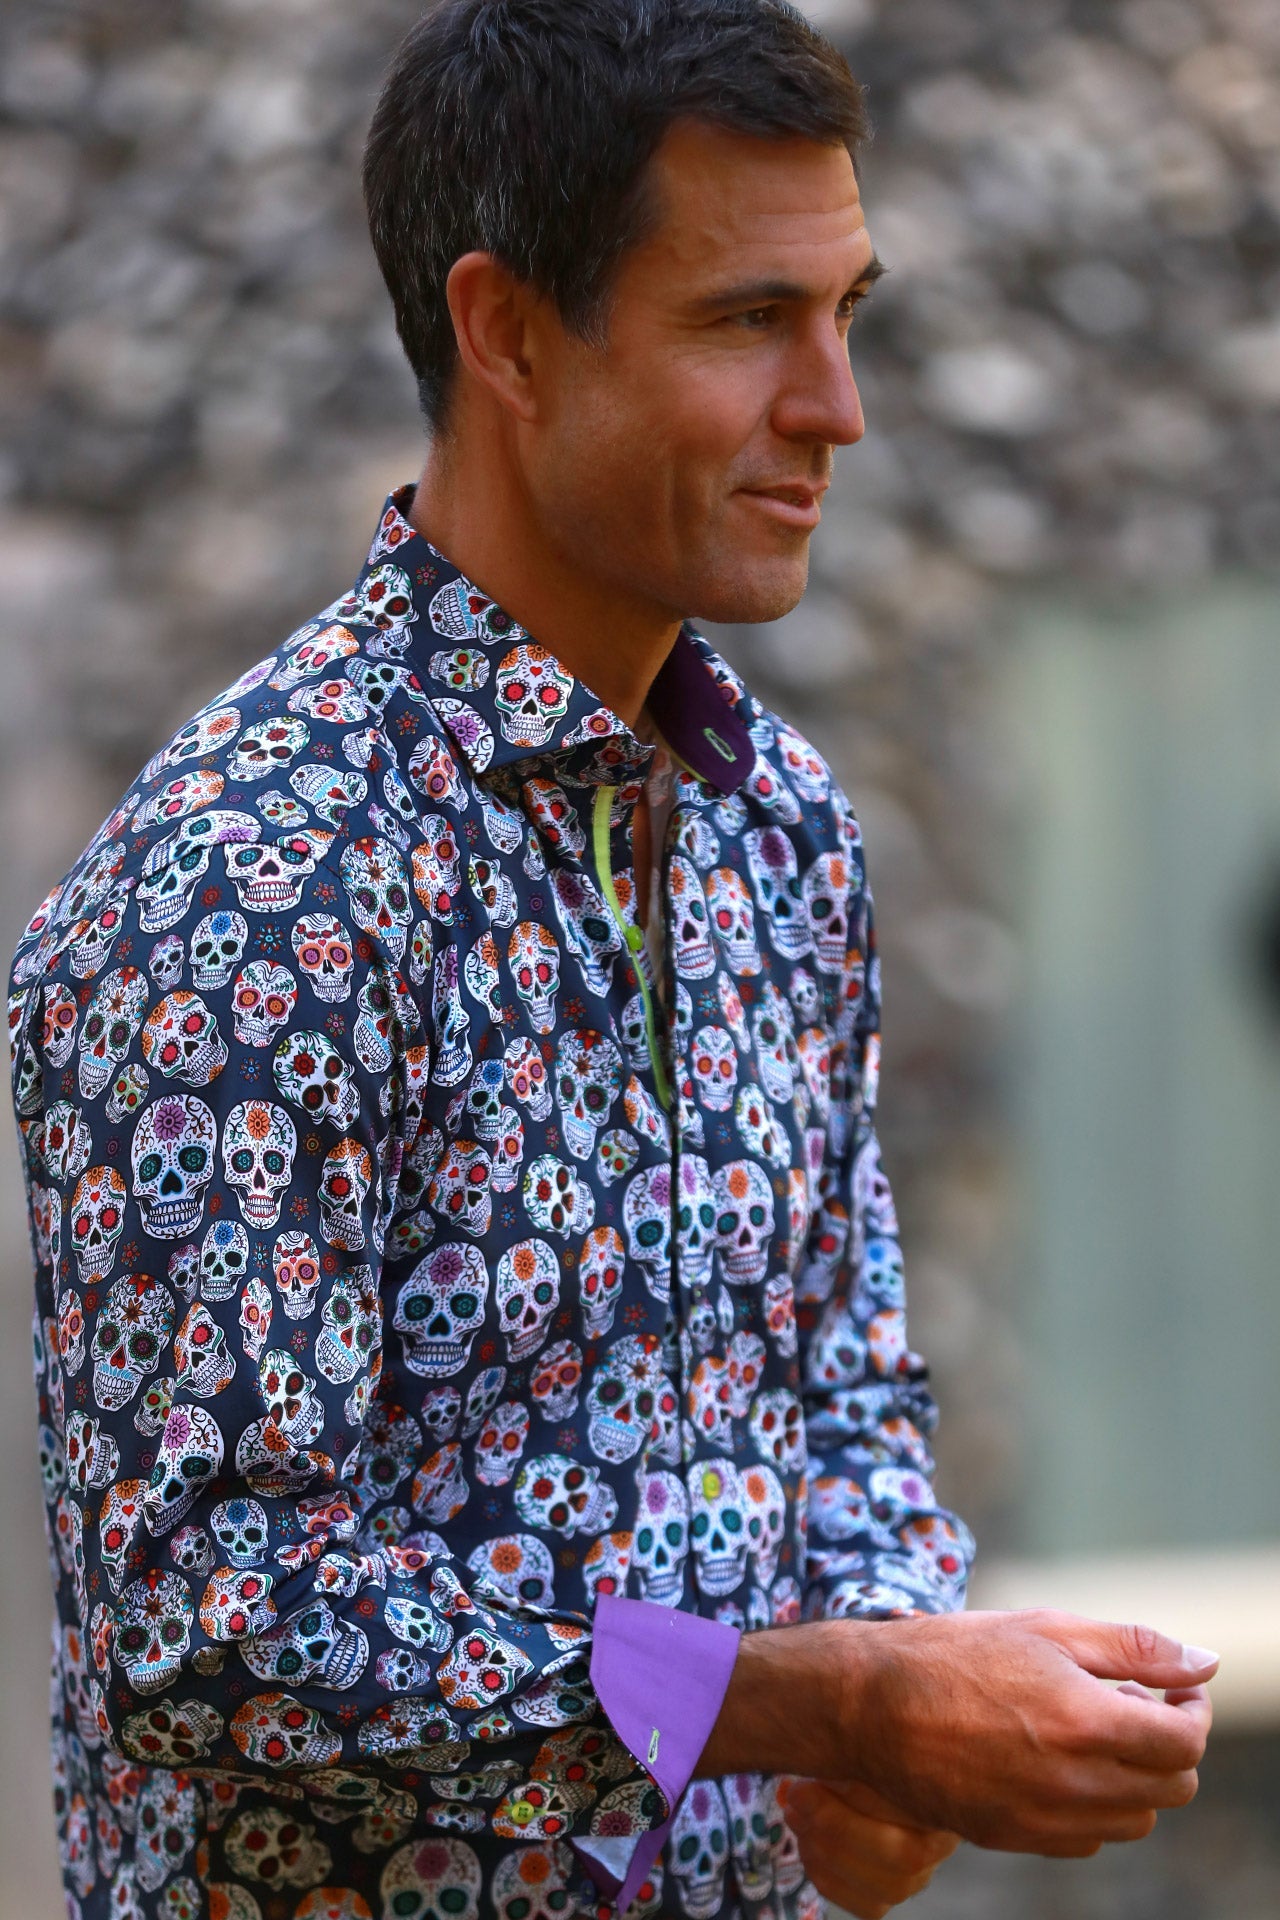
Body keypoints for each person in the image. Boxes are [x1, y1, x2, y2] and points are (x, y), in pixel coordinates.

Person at [8, 3, 1217, 1917]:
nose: (837, 408)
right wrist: (830, 1701)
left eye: (848, 313)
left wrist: (889, 1688)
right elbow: (212, 1633)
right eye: (749, 320)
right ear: (505, 334)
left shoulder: (781, 825)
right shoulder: (252, 884)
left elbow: (845, 1392)